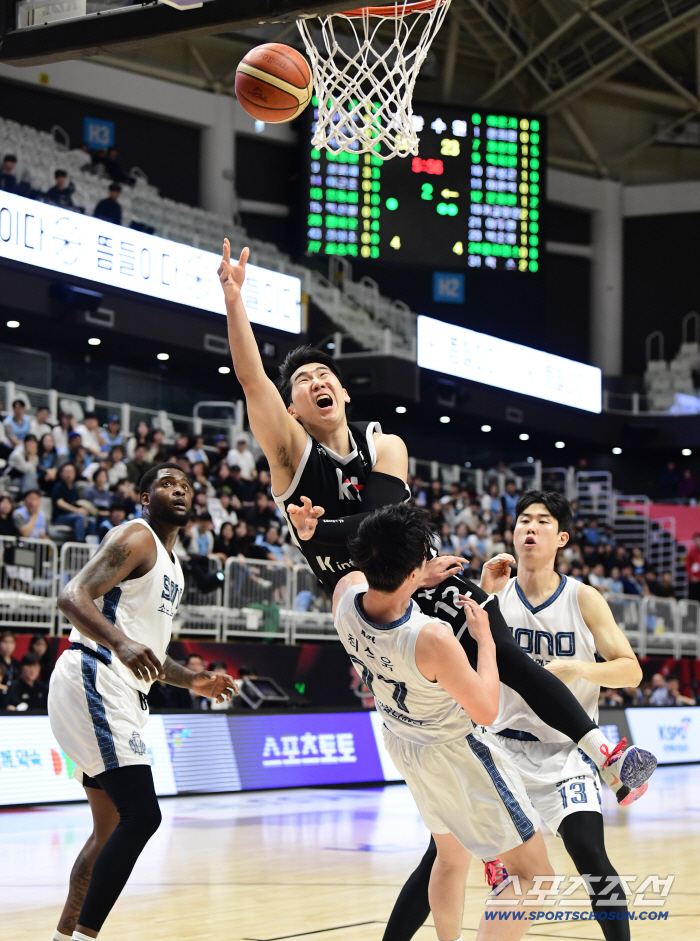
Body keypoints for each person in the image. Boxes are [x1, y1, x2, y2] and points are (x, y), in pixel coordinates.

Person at [218, 238, 655, 808]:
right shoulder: (288, 452)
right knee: (439, 712)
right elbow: (253, 381)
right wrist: (234, 300)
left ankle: (607, 758)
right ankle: (491, 841)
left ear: (345, 393)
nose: (317, 381)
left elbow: (379, 528)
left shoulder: (387, 445)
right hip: (368, 598)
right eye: (303, 381)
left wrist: (314, 533)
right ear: (293, 408)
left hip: (418, 568)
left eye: (325, 373)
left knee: (507, 657)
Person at [333, 504, 556, 941]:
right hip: (457, 751)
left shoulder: (345, 595)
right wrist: (486, 638)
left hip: (403, 743)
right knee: (534, 876)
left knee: (450, 857)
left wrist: (418, 576)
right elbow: (486, 710)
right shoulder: (430, 637)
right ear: (415, 570)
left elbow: (367, 579)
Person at [49, 463, 238, 941]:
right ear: (143, 497)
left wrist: (194, 680)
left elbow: (148, 652)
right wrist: (121, 644)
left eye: (186, 486)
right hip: (94, 674)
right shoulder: (137, 536)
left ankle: (63, 936)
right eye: (166, 483)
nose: (179, 490)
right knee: (144, 815)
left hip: (121, 689)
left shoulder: (172, 564)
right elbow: (73, 596)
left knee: (110, 830)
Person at [51, 463, 96, 543]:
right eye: (67, 472)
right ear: (61, 473)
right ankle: (80, 544)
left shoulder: (74, 489)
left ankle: (90, 545)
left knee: (91, 521)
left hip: (72, 516)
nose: (69, 474)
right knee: (80, 517)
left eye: (71, 472)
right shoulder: (58, 487)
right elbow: (60, 503)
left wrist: (84, 510)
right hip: (60, 517)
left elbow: (77, 503)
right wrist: (77, 510)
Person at [685, 532, 700, 602]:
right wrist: (692, 576)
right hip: (692, 582)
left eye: (698, 540)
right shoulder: (691, 552)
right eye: (695, 541)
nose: (697, 542)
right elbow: (687, 565)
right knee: (692, 602)